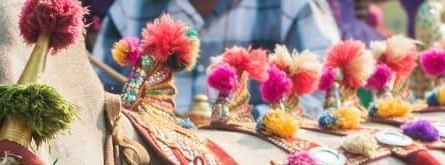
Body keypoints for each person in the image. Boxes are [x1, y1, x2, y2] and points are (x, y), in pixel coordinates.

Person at [92, 0, 341, 114]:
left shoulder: (293, 6)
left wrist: (240, 125)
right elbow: (100, 106)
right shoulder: (129, 9)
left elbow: (321, 100)